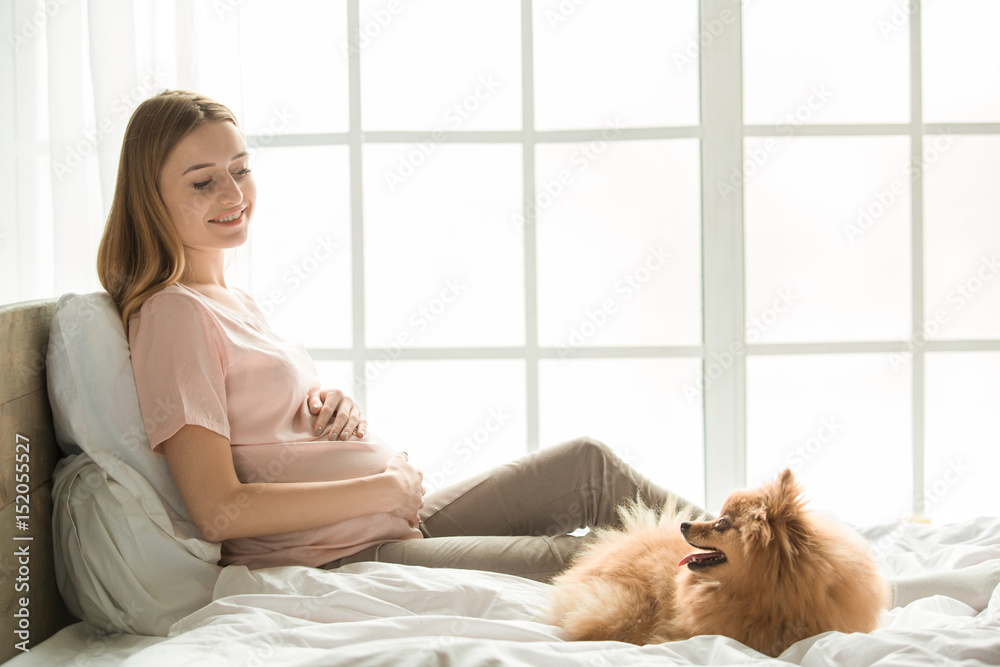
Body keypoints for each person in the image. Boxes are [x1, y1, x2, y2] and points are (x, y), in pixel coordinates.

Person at [97, 90, 1000, 609]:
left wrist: (331, 411)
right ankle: (800, 594)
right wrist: (376, 483)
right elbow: (216, 508)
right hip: (343, 552)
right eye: (203, 180)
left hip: (385, 514)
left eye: (242, 166)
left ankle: (782, 561)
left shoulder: (228, 294)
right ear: (153, 194)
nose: (235, 192)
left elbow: (259, 427)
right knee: (584, 557)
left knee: (589, 465)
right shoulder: (172, 314)